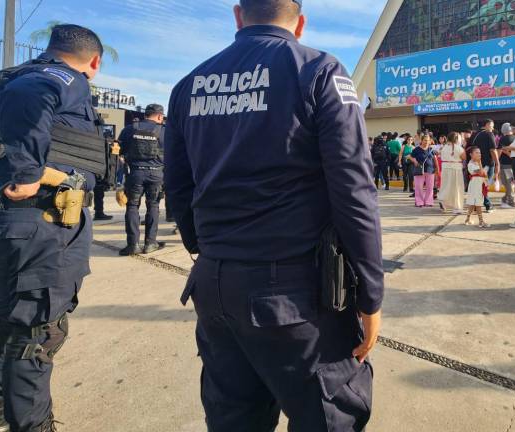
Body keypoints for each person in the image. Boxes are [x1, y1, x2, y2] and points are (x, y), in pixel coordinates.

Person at [163, 1, 383, 430]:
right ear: (299, 23)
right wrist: (370, 292)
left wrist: (208, 251)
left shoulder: (189, 85)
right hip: (294, 297)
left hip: (215, 286)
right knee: (328, 417)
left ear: (238, 15)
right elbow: (354, 189)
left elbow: (178, 185)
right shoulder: (319, 71)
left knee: (234, 416)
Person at [0, 24, 103, 432]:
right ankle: (32, 424)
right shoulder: (61, 78)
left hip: (6, 219)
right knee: (39, 328)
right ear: (93, 61)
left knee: (9, 317)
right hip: (42, 221)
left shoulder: (4, 79)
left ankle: (2, 414)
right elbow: (32, 102)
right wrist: (28, 173)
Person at [118, 104, 167, 256]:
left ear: (146, 114)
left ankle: (133, 245)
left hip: (135, 173)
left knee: (132, 206)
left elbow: (119, 152)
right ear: (159, 116)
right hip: (157, 174)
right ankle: (150, 243)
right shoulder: (164, 131)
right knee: (153, 206)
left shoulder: (129, 129)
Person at [471, 119, 500, 213]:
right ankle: (487, 205)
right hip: (487, 163)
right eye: (492, 125)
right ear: (487, 125)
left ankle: (476, 205)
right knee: (484, 185)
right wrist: (497, 163)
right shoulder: (489, 134)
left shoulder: (475, 134)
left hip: (476, 163)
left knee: (478, 185)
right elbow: (492, 150)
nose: (493, 128)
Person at [437, 132, 466, 214]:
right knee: (457, 188)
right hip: (456, 169)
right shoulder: (459, 148)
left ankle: (442, 200)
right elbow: (464, 157)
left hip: (445, 168)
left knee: (446, 186)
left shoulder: (443, 147)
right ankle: (457, 207)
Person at [410, 134, 439, 208]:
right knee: (419, 187)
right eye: (425, 140)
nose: (426, 142)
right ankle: (419, 202)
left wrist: (437, 169)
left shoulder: (431, 149)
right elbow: (411, 157)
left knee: (430, 187)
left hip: (430, 170)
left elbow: (435, 160)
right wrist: (415, 161)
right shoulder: (416, 149)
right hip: (419, 170)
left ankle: (429, 201)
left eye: (428, 140)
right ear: (421, 140)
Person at [465, 148, 490, 228]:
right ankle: (481, 221)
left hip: (478, 184)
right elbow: (481, 172)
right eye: (476, 152)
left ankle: (467, 219)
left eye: (479, 152)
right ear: (471, 154)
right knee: (478, 203)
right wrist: (480, 163)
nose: (479, 154)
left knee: (473, 203)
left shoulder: (476, 163)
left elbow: (483, 173)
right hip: (475, 185)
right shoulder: (471, 164)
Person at [497, 123, 515, 209]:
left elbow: (499, 151)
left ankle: (511, 201)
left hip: (505, 164)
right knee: (510, 182)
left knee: (507, 183)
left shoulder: (503, 139)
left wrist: (496, 162)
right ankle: (505, 199)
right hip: (514, 163)